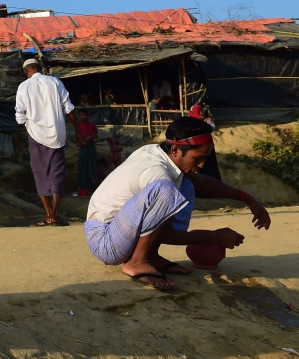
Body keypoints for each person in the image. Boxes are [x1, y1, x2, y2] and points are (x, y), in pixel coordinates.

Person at [84, 117, 271, 289]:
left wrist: (249, 200)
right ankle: (137, 262)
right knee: (166, 190)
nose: (202, 165)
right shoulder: (156, 172)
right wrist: (213, 238)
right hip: (105, 241)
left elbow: (204, 182)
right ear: (175, 150)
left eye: (205, 158)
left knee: (186, 183)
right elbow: (168, 235)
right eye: (197, 158)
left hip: (120, 233)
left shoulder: (160, 153)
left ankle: (150, 256)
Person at [14, 59, 82, 226]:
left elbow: (19, 115)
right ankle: (56, 214)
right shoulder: (54, 82)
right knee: (57, 172)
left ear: (26, 71)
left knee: (39, 172)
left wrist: (29, 126)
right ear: (40, 69)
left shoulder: (24, 86)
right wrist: (78, 130)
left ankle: (48, 214)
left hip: (36, 135)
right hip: (57, 134)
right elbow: (69, 108)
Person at [190, 103, 222, 182]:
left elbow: (211, 128)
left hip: (206, 146)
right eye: (201, 110)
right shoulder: (192, 121)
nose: (203, 112)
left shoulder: (204, 120)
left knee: (209, 167)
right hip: (198, 147)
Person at [76, 110, 99, 195]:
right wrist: (82, 141)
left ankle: (93, 184)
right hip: (83, 148)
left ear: (87, 116)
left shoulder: (92, 125)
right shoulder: (78, 126)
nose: (81, 117)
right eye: (80, 115)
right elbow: (77, 137)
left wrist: (90, 137)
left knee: (92, 164)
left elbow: (96, 136)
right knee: (82, 166)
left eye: (83, 115)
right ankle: (82, 185)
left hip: (91, 147)